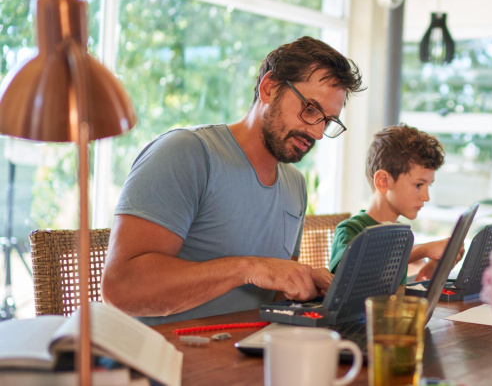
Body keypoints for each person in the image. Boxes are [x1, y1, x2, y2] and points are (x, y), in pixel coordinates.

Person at [102, 36, 365, 325]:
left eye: (327, 121)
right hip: (164, 360)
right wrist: (248, 268)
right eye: (310, 109)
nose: (316, 133)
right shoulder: (186, 153)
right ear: (269, 88)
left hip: (252, 355)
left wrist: (304, 283)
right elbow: (121, 289)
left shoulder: (295, 185)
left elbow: (270, 293)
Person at [328, 124, 460, 283]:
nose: (426, 197)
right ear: (383, 182)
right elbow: (353, 274)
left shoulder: (402, 235)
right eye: (419, 185)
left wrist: (436, 262)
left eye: (428, 186)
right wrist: (423, 250)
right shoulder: (350, 230)